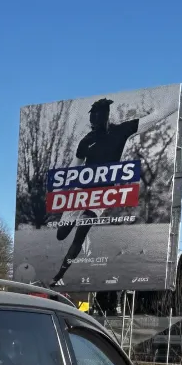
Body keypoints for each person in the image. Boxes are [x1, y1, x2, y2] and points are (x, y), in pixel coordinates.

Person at [51, 97, 141, 285]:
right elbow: (74, 167)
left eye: (96, 119)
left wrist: (173, 103)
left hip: (101, 196)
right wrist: (62, 190)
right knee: (61, 235)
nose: (93, 123)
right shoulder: (86, 141)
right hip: (80, 192)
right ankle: (75, 218)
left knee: (81, 234)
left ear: (104, 117)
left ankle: (59, 275)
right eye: (92, 119)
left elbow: (154, 118)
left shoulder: (120, 131)